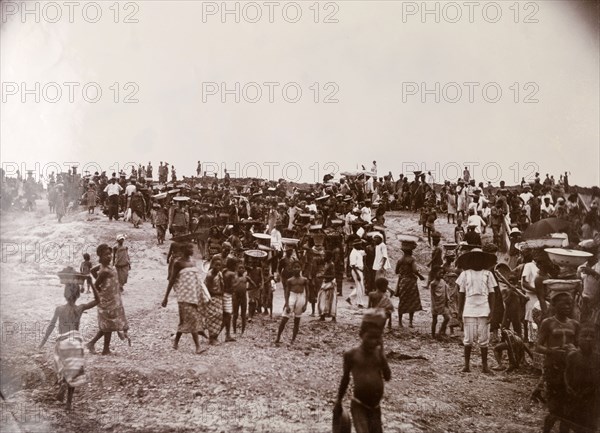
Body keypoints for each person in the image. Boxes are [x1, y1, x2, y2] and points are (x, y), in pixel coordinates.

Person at [39, 279, 98, 410]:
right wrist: (91, 283)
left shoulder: (59, 309)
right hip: (76, 343)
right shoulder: (80, 308)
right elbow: (97, 301)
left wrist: (42, 342)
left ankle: (62, 383)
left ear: (65, 295)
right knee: (75, 373)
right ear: (78, 295)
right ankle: (68, 404)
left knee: (62, 367)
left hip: (63, 344)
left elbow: (51, 325)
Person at [334, 309, 391, 433]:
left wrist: (382, 354)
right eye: (369, 337)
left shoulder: (378, 354)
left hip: (376, 407)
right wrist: (338, 400)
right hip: (359, 405)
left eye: (376, 338)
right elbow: (345, 378)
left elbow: (387, 376)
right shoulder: (351, 355)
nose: (373, 342)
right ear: (361, 334)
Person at [536, 292, 580, 433]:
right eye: (564, 304)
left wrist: (573, 351)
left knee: (568, 409)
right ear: (554, 305)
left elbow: (580, 346)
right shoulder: (548, 323)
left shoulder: (575, 324)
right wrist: (552, 351)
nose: (568, 307)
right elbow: (538, 346)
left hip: (569, 370)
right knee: (554, 409)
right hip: (553, 368)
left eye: (570, 304)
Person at [161, 242, 209, 354]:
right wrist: (166, 297)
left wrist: (203, 294)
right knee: (192, 319)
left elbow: (197, 280)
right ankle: (198, 347)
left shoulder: (193, 262)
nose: (192, 249)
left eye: (192, 247)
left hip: (194, 295)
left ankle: (175, 342)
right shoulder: (178, 263)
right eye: (189, 247)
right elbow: (172, 280)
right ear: (183, 249)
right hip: (183, 296)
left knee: (184, 320)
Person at [86, 244, 131, 355]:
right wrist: (102, 292)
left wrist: (106, 285)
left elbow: (92, 270)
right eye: (106, 254)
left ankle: (95, 345)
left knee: (108, 325)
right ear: (100, 256)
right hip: (107, 302)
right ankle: (103, 349)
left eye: (110, 254)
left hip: (113, 300)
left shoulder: (106, 267)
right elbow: (96, 286)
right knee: (108, 325)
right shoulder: (104, 271)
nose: (109, 256)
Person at [457, 250, 497, 373]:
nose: (477, 261)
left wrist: (492, 310)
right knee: (468, 338)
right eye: (474, 259)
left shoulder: (488, 274)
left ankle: (485, 366)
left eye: (479, 259)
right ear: (470, 261)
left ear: (483, 261)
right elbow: (461, 293)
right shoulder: (465, 274)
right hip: (469, 308)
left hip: (484, 308)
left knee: (484, 339)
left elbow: (492, 294)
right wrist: (460, 310)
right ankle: (466, 365)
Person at [564, 323, 598, 433]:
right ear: (578, 338)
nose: (588, 339)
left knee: (589, 426)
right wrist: (568, 387)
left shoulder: (597, 358)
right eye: (584, 335)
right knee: (571, 423)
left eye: (592, 336)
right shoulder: (572, 356)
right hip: (573, 396)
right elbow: (566, 373)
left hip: (590, 399)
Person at [275, 261, 308, 345]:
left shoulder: (304, 280)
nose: (296, 269)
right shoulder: (290, 280)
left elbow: (307, 292)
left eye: (298, 267)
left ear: (301, 268)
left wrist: (306, 304)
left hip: (301, 297)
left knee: (297, 319)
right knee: (284, 318)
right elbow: (287, 292)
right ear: (292, 269)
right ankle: (278, 336)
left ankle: (293, 339)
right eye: (295, 267)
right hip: (292, 297)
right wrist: (286, 304)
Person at [395, 240, 424, 328]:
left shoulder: (400, 260)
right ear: (411, 251)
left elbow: (396, 271)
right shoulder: (412, 259)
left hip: (402, 282)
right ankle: (410, 322)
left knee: (402, 301)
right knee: (412, 301)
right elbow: (415, 270)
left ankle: (400, 322)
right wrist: (420, 275)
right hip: (411, 282)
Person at [204, 255, 224, 345]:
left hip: (219, 298)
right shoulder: (210, 275)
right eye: (216, 265)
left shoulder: (219, 273)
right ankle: (211, 338)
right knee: (212, 317)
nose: (218, 267)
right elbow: (207, 288)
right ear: (212, 265)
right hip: (212, 298)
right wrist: (216, 293)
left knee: (219, 316)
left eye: (219, 265)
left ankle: (214, 337)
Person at [232, 262, 256, 335]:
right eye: (240, 268)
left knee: (243, 314)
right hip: (235, 296)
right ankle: (234, 331)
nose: (241, 269)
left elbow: (254, 285)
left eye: (242, 268)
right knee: (235, 314)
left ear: (245, 270)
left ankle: (242, 331)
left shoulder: (246, 278)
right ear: (237, 269)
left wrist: (247, 289)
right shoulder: (234, 277)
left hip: (243, 297)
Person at [429, 266, 450, 339]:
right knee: (435, 320)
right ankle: (433, 335)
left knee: (447, 318)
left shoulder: (443, 281)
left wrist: (447, 301)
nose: (441, 274)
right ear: (435, 274)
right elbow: (432, 295)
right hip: (436, 303)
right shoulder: (433, 283)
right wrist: (434, 305)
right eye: (439, 273)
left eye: (442, 273)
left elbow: (445, 292)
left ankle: (441, 331)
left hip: (443, 303)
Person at [221, 257, 238, 342]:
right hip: (228, 295)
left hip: (223, 294)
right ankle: (216, 334)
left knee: (226, 315)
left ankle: (227, 334)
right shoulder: (232, 274)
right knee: (227, 316)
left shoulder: (224, 271)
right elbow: (234, 286)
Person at [318, 251, 337, 322]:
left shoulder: (331, 264)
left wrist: (322, 276)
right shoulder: (327, 263)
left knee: (331, 300)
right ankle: (322, 315)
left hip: (330, 283)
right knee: (322, 299)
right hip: (326, 282)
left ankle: (333, 316)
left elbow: (333, 276)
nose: (323, 257)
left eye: (324, 256)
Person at [347, 240, 366, 308]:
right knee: (360, 288)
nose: (360, 246)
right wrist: (357, 275)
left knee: (360, 286)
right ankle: (360, 303)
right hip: (356, 271)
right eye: (359, 244)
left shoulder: (358, 251)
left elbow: (364, 252)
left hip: (360, 270)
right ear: (356, 245)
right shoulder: (353, 253)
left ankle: (350, 297)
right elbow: (353, 265)